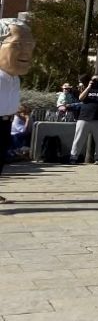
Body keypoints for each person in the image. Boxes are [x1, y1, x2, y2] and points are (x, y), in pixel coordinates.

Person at [0, 18, 34, 203]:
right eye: (18, 44)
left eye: (30, 45)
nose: (26, 51)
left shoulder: (14, 78)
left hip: (6, 122)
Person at [70, 75, 98, 165]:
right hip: (84, 118)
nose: (95, 81)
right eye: (93, 79)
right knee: (78, 139)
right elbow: (80, 98)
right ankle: (73, 157)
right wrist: (88, 86)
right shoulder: (87, 88)